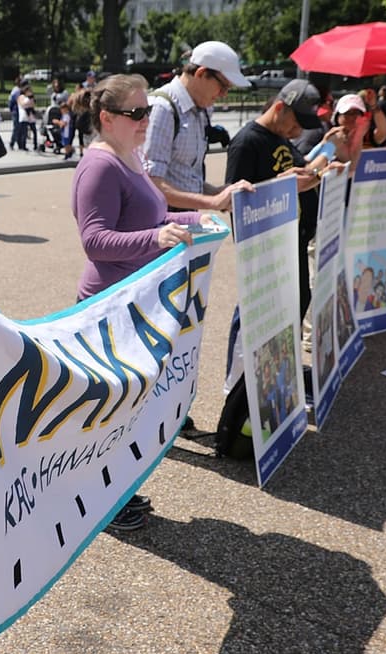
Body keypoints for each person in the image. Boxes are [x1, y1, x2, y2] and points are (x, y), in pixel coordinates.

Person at [69, 74, 204, 531]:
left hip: (135, 302)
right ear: (107, 118)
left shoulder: (131, 156)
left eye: (148, 110)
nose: (147, 119)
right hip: (107, 307)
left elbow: (154, 217)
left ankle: (116, 491)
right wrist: (157, 238)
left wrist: (197, 219)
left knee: (128, 409)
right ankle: (102, 501)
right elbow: (94, 240)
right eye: (137, 113)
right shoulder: (100, 166)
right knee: (110, 412)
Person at [218, 79, 330, 458]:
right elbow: (233, 199)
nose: (298, 130)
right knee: (256, 322)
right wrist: (281, 185)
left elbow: (300, 173)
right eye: (295, 121)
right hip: (266, 250)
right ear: (279, 107)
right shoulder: (247, 142)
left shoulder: (281, 139)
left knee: (296, 306)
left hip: (291, 241)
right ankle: (239, 399)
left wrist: (322, 165)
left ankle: (276, 391)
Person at [143, 40, 252, 213]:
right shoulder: (162, 108)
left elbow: (186, 177)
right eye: (223, 86)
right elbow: (151, 184)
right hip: (161, 220)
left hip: (184, 216)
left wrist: (217, 192)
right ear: (201, 73)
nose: (224, 95)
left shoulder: (203, 108)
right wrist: (212, 201)